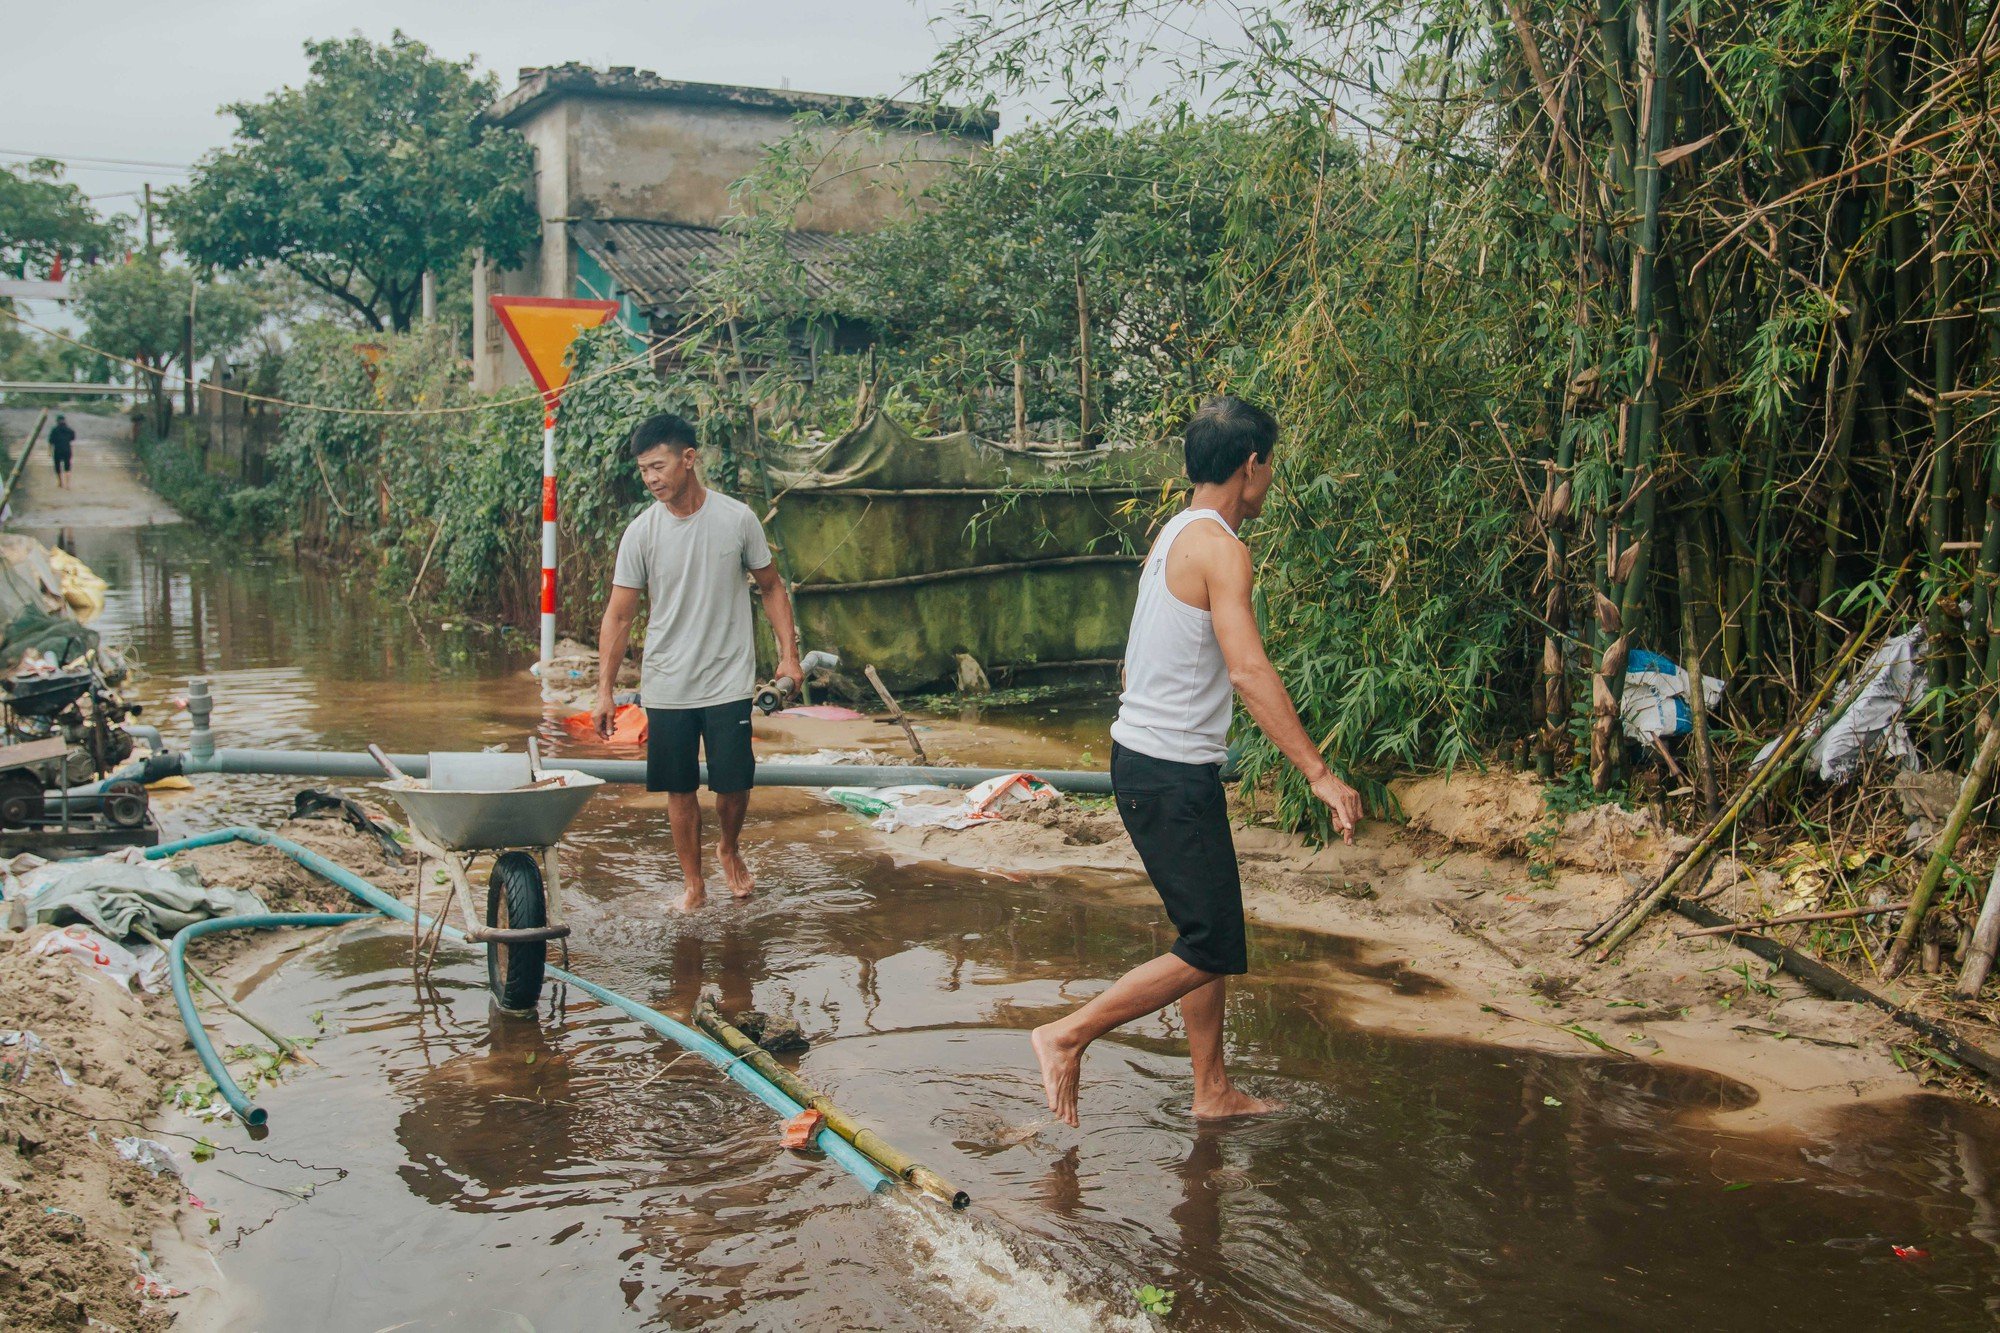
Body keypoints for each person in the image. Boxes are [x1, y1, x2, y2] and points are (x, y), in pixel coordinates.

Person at [1031, 396, 1363, 1127]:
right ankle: (1067, 1033)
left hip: (1150, 763)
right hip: (1170, 772)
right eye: (1269, 463)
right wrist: (1318, 772)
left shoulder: (1176, 533)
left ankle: (1211, 1089)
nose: (1270, 476)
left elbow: (1136, 660)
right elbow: (1247, 670)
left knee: (1202, 933)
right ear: (1251, 465)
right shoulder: (1222, 548)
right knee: (1212, 942)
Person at [593, 412, 802, 912]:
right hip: (667, 682)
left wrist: (788, 658)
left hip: (728, 677)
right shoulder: (641, 533)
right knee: (679, 787)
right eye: (643, 470)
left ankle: (728, 848)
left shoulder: (736, 520)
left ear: (689, 459)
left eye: (658, 466)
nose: (651, 478)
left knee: (733, 781)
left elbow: (771, 587)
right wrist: (603, 689)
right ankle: (693, 882)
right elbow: (620, 615)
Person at [47, 415, 75, 490]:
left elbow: (50, 442)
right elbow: (72, 438)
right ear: (64, 421)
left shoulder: (54, 430)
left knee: (57, 467)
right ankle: (67, 484)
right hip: (67, 450)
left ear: (57, 421)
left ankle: (60, 483)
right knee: (67, 467)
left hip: (57, 450)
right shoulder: (69, 430)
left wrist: (49, 451)